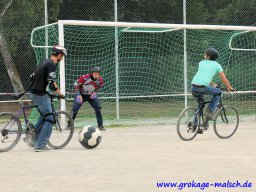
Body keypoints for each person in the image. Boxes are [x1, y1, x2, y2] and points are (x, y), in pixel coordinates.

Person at [28, 45, 66, 152]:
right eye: (62, 56)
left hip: (32, 91)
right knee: (50, 118)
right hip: (38, 94)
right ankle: (40, 145)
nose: (62, 58)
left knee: (45, 115)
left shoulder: (45, 61)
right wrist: (60, 94)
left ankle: (34, 140)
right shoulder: (52, 65)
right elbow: (52, 85)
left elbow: (32, 76)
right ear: (59, 55)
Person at [191, 48, 234, 131]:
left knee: (200, 105)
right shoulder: (217, 65)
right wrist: (229, 87)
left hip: (193, 87)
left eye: (205, 54)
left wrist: (212, 84)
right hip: (203, 88)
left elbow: (202, 75)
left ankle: (195, 125)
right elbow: (224, 79)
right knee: (218, 93)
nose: (204, 56)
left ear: (208, 56)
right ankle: (209, 111)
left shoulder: (201, 63)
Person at [70, 67, 105, 131]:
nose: (97, 75)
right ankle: (70, 124)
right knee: (75, 109)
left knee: (98, 107)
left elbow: (100, 86)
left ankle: (100, 125)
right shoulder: (85, 78)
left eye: (98, 74)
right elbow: (76, 84)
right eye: (95, 74)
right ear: (91, 73)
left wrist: (94, 92)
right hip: (81, 95)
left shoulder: (100, 80)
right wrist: (78, 95)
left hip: (91, 95)